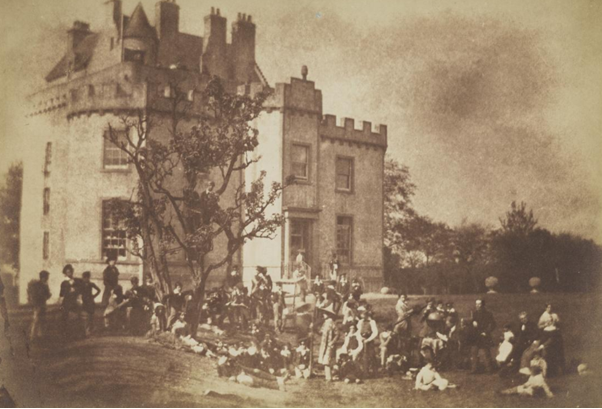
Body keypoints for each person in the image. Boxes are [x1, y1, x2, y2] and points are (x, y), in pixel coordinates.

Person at [538, 303, 565, 377]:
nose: (550, 309)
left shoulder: (554, 315)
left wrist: (557, 326)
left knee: (557, 350)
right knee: (547, 350)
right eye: (548, 307)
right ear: (545, 308)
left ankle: (559, 369)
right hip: (547, 333)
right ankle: (548, 370)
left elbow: (559, 323)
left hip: (554, 332)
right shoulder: (543, 316)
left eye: (551, 307)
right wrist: (545, 325)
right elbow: (539, 326)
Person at [470, 299, 496, 374]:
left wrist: (486, 332)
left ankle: (489, 370)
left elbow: (493, 324)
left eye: (479, 304)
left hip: (484, 336)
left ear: (483, 305)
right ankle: (474, 369)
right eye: (476, 304)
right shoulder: (474, 313)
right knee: (474, 352)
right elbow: (473, 324)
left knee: (486, 353)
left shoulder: (488, 314)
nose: (477, 306)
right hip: (476, 336)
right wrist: (473, 322)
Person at [59, 264, 84, 339]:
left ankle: (78, 334)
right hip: (67, 302)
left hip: (74, 301)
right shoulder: (64, 283)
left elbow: (80, 291)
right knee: (65, 318)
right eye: (67, 272)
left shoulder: (76, 281)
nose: (69, 273)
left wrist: (79, 298)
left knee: (77, 317)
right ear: (65, 273)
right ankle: (65, 334)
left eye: (70, 272)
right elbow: (61, 294)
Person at [27, 271, 52, 341]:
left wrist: (48, 296)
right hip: (37, 304)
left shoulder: (45, 285)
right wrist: (35, 303)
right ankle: (32, 336)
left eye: (47, 277)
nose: (46, 279)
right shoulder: (37, 285)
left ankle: (40, 335)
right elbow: (34, 295)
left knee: (42, 320)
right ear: (42, 277)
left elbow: (47, 294)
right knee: (36, 319)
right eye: (45, 277)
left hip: (43, 304)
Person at [317, 307, 339, 381]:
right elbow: (321, 332)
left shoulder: (332, 323)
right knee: (324, 360)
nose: (324, 314)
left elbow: (337, 334)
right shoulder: (325, 323)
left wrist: (332, 342)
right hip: (324, 343)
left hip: (330, 344)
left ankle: (329, 377)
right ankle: (327, 376)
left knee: (327, 361)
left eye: (325, 313)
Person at [357, 310, 379, 377]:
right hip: (362, 340)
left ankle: (375, 372)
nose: (362, 317)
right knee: (363, 356)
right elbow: (358, 330)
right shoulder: (360, 322)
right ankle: (365, 372)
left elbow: (375, 332)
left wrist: (369, 340)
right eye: (361, 316)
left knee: (371, 355)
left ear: (367, 315)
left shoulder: (372, 322)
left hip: (369, 340)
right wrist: (360, 338)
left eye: (364, 316)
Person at [80, 271, 101, 337]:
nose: (86, 279)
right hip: (85, 302)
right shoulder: (81, 284)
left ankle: (90, 331)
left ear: (88, 277)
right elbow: (78, 292)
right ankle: (87, 331)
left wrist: (94, 296)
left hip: (90, 302)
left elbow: (99, 290)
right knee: (86, 317)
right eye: (84, 277)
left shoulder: (91, 284)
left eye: (87, 277)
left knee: (91, 317)